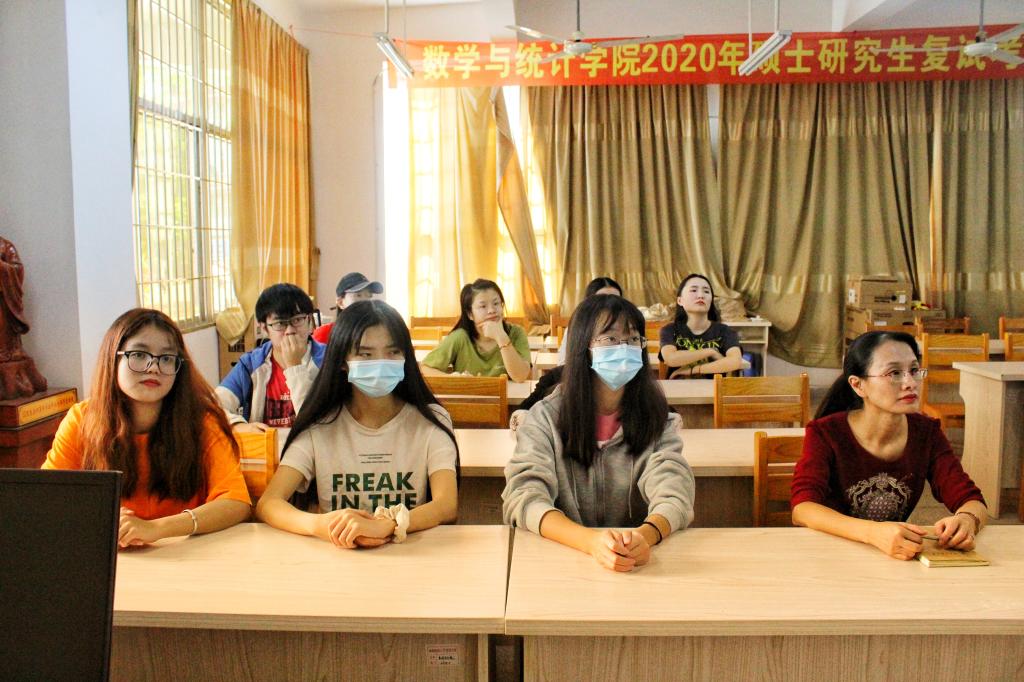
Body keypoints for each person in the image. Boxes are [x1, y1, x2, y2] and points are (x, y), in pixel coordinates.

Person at [502, 294, 695, 572]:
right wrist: (591, 542)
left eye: (633, 339)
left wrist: (646, 535)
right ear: (583, 346)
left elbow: (675, 490)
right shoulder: (545, 417)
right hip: (561, 561)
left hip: (635, 563)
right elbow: (524, 495)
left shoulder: (657, 419)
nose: (624, 349)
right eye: (610, 338)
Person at [256, 300, 459, 548]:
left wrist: (391, 524)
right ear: (342, 360)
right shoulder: (319, 424)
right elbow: (269, 503)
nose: (381, 362)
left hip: (409, 553)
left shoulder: (431, 420)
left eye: (393, 352)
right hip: (338, 554)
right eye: (365, 354)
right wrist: (320, 524)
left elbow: (446, 505)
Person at [43, 308, 251, 548]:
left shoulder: (202, 422)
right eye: (139, 355)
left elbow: (236, 502)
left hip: (184, 554)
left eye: (167, 358)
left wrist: (156, 528)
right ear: (113, 358)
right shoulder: (81, 420)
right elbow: (47, 496)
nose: (153, 367)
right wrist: (99, 518)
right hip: (108, 554)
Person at [791, 331, 986, 561]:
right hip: (830, 555)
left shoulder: (926, 432)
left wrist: (966, 520)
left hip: (892, 557)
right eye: (894, 373)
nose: (910, 383)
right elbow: (803, 508)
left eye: (914, 370)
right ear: (858, 385)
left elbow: (971, 499)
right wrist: (872, 533)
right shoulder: (826, 433)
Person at [512, 277, 625, 430]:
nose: (610, 307)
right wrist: (527, 419)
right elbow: (521, 413)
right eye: (600, 301)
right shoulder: (556, 381)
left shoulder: (633, 381)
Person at [216, 283, 325, 435]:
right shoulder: (251, 364)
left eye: (297, 320)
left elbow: (318, 425)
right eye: (280, 323)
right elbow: (215, 406)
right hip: (266, 446)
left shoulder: (328, 360)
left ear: (310, 321)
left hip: (311, 446)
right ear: (264, 328)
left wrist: (294, 367)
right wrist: (237, 425)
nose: (290, 331)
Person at [420, 278, 532, 382]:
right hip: (469, 397)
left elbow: (520, 376)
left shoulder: (516, 333)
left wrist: (501, 337)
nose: (492, 310)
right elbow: (425, 369)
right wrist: (452, 379)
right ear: (470, 314)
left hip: (508, 397)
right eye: (483, 306)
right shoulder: (460, 337)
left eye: (496, 303)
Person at [659, 273, 744, 378]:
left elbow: (735, 361)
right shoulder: (670, 330)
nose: (701, 295)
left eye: (706, 291)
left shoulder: (725, 331)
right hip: (679, 386)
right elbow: (671, 359)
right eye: (694, 290)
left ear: (711, 300)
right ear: (680, 301)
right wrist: (710, 351)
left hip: (713, 387)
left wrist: (694, 370)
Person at [312, 272, 384, 344]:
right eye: (358, 295)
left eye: (369, 296)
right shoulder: (324, 334)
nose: (365, 301)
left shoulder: (379, 333)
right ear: (340, 302)